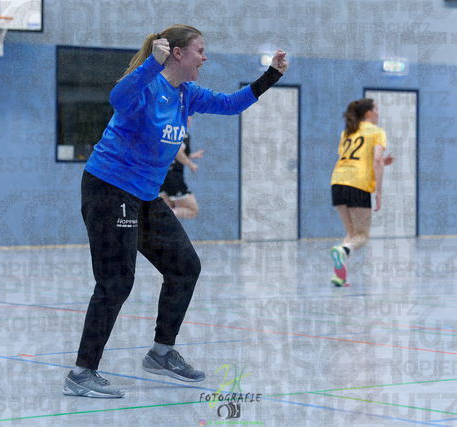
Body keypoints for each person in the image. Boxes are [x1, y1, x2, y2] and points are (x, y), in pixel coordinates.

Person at [63, 24, 288, 398]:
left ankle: (161, 352)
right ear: (178, 54)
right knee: (116, 281)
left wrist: (272, 75)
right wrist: (153, 63)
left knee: (185, 266)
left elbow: (231, 104)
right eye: (200, 50)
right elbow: (118, 96)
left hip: (145, 195)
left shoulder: (187, 94)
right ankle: (81, 372)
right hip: (109, 187)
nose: (205, 57)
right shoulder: (148, 86)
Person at [329, 98, 394, 287]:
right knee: (362, 236)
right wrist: (379, 192)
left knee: (352, 234)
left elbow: (353, 157)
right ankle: (343, 251)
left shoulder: (347, 132)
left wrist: (380, 162)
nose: (378, 113)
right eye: (376, 109)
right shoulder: (377, 132)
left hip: (337, 181)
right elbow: (377, 160)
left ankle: (339, 276)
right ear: (368, 113)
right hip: (357, 183)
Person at [160, 116, 204, 219]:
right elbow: (178, 152)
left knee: (167, 209)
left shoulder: (167, 131)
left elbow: (173, 153)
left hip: (162, 176)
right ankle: (159, 215)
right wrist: (191, 164)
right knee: (193, 210)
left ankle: (160, 218)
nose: (191, 119)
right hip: (174, 177)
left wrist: (192, 156)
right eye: (189, 116)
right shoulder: (182, 134)